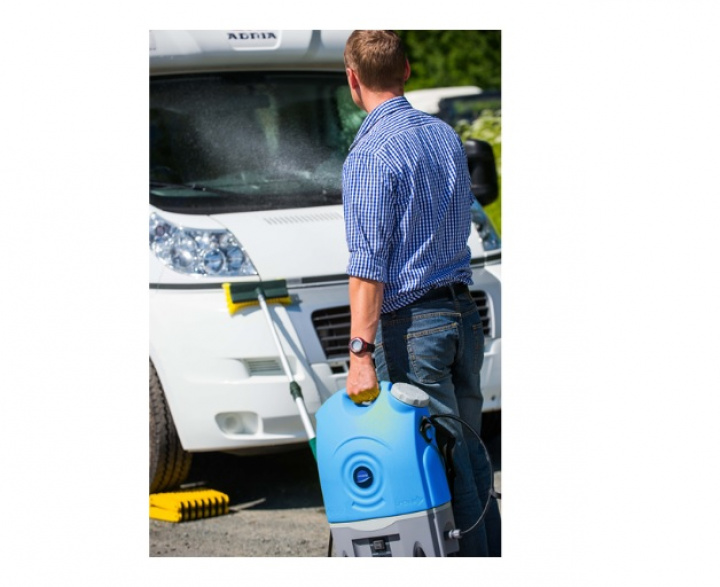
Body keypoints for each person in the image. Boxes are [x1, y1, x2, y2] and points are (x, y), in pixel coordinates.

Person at [341, 30, 501, 557]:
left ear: (352, 78)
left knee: (442, 466)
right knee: (471, 456)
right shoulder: (444, 135)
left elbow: (368, 268)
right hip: (462, 316)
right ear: (406, 70)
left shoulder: (370, 154)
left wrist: (360, 354)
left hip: (414, 330)